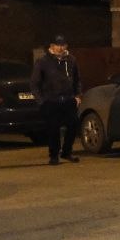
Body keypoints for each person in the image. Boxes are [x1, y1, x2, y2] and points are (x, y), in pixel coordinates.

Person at [30, 34, 82, 165]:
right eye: (58, 45)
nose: (60, 48)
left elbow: (77, 79)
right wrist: (41, 102)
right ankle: (54, 155)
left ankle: (67, 152)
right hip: (51, 101)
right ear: (52, 46)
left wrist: (77, 96)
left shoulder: (71, 60)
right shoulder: (43, 61)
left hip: (68, 99)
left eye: (63, 45)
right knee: (53, 129)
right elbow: (34, 83)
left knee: (73, 125)